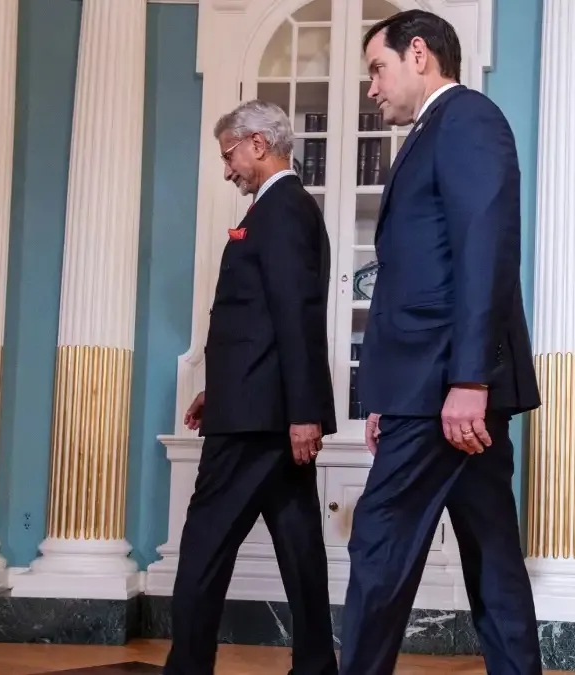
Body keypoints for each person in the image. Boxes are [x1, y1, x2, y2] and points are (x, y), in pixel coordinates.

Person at [338, 10, 543, 675]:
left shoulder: (467, 120)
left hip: (444, 388)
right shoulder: (434, 132)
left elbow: (484, 250)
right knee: (492, 560)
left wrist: (469, 380)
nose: (373, 86)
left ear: (419, 53)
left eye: (378, 68)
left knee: (378, 541)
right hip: (429, 386)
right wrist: (385, 394)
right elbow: (417, 273)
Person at [164, 100, 337, 675]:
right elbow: (259, 320)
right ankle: (316, 666)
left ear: (258, 143)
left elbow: (296, 315)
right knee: (299, 547)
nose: (227, 170)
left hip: (256, 423)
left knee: (204, 545)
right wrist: (219, 390)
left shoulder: (282, 209)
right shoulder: (279, 209)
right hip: (261, 410)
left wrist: (304, 413)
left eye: (229, 155)